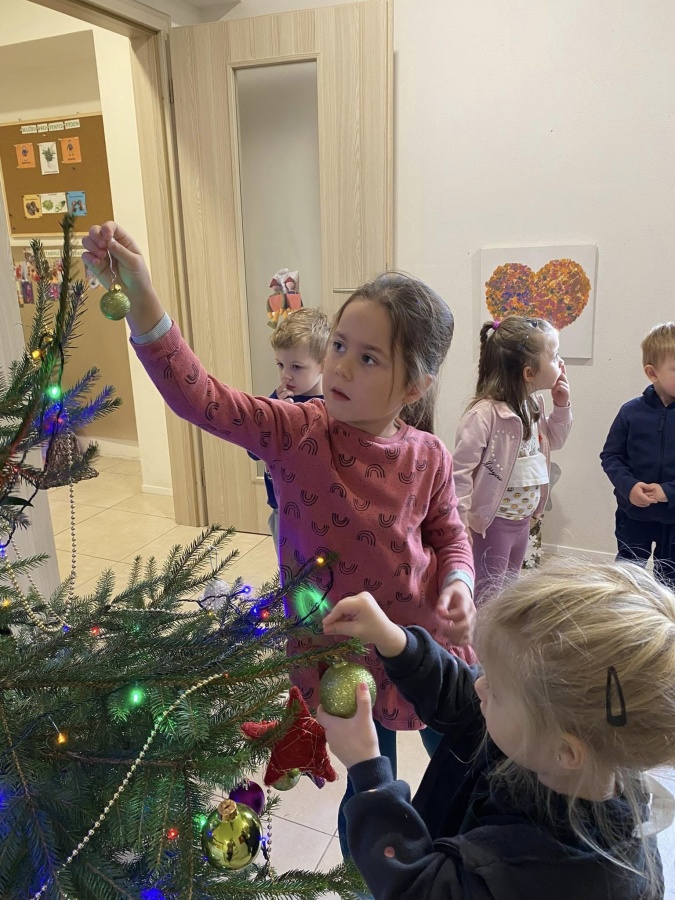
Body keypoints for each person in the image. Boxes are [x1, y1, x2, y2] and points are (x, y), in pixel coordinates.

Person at [82, 222, 476, 855]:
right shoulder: (297, 431)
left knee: (472, 753)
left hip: (421, 642)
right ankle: (374, 878)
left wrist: (459, 581)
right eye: (340, 345)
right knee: (370, 781)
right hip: (341, 655)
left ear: (414, 386)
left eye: (368, 358)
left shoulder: (428, 453)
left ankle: (460, 863)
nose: (340, 365)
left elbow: (448, 531)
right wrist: (143, 298)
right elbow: (201, 398)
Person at [317, 560, 675, 900]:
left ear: (567, 752)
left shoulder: (548, 875)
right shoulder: (566, 740)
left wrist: (369, 775)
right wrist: (396, 643)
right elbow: (465, 698)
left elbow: (421, 890)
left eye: (497, 689)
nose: (479, 686)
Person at [453, 316, 572, 604]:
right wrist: (460, 522)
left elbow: (555, 441)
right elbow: (460, 473)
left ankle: (498, 630)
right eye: (554, 356)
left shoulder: (534, 405)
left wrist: (561, 406)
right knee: (487, 592)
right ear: (529, 373)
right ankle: (478, 632)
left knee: (509, 588)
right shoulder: (484, 415)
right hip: (492, 523)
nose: (560, 363)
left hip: (523, 520)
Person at [600, 322, 675, 586]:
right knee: (627, 578)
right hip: (633, 514)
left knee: (669, 583)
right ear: (652, 373)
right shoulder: (630, 412)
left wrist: (668, 491)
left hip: (673, 518)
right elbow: (611, 456)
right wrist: (629, 487)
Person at [248, 308, 329, 547]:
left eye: (296, 367)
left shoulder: (334, 408)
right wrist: (275, 416)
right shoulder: (275, 404)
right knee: (289, 570)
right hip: (281, 511)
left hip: (322, 513)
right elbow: (253, 451)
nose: (286, 375)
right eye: (280, 364)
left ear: (323, 365)